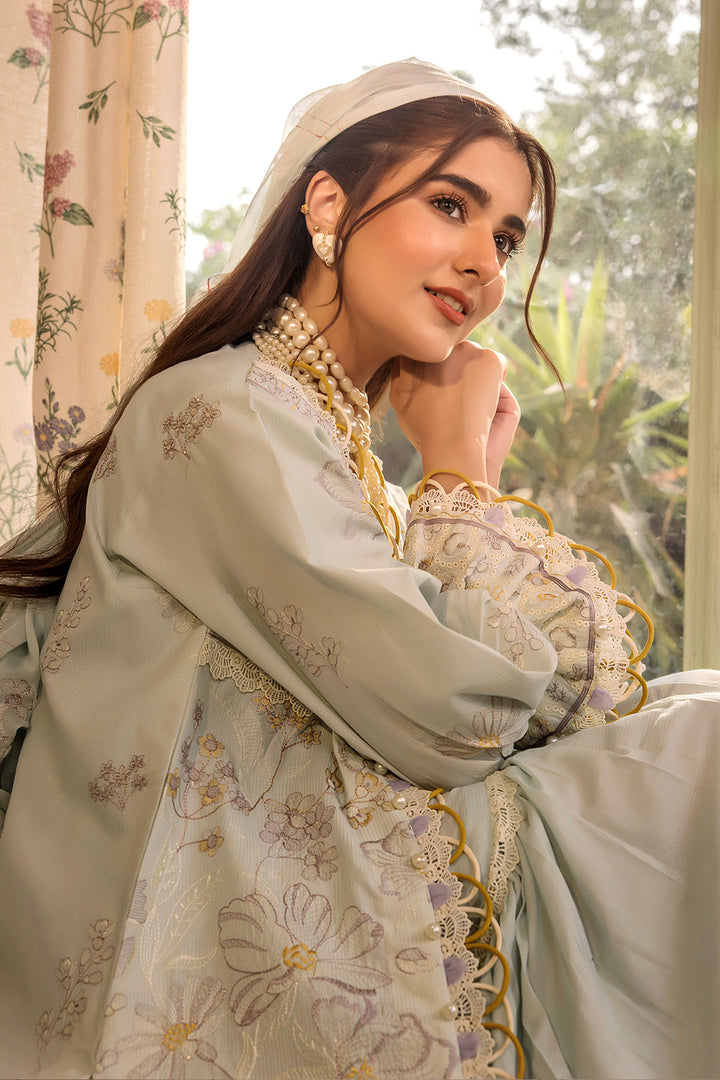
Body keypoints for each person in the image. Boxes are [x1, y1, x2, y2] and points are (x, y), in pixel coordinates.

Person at [0, 57, 718, 1080]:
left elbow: (536, 699)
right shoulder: (225, 411)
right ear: (329, 206)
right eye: (450, 205)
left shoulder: (316, 436)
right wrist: (459, 470)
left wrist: (447, 477)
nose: (484, 264)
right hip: (237, 908)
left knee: (697, 725)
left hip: (313, 853)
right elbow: (461, 713)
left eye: (506, 237)